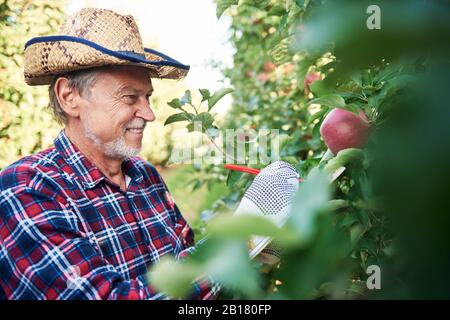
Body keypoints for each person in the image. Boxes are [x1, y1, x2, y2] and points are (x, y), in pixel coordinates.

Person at [0, 7, 219, 300]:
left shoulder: (146, 177)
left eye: (147, 97)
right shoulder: (27, 188)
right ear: (69, 97)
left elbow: (188, 263)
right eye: (130, 97)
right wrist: (228, 254)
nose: (150, 114)